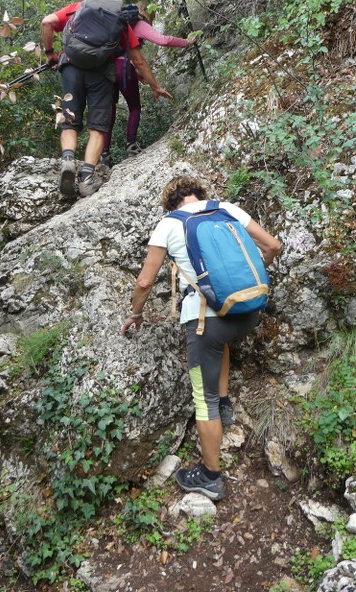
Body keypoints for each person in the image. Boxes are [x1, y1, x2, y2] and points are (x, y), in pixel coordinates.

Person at [120, 176, 282, 501]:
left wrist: (135, 313)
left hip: (206, 322)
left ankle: (210, 475)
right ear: (199, 195)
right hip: (248, 312)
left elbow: (144, 282)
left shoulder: (168, 224)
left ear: (171, 203)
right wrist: (249, 282)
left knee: (201, 398)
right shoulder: (225, 208)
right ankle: (224, 403)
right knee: (219, 348)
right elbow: (274, 246)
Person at [40, 0, 172, 198]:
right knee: (98, 127)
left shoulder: (76, 8)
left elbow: (47, 22)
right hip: (100, 75)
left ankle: (68, 161)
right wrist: (155, 86)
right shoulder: (119, 18)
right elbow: (138, 60)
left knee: (69, 120)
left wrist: (50, 54)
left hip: (71, 68)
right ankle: (86, 178)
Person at [101, 3, 196, 166]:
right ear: (148, 14)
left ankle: (104, 155)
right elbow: (163, 40)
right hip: (123, 68)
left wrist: (137, 75)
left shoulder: (114, 22)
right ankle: (131, 145)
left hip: (104, 70)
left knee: (109, 113)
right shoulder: (139, 23)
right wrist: (187, 42)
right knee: (135, 107)